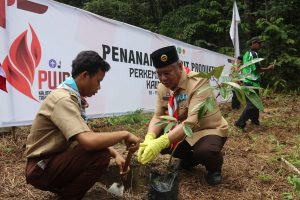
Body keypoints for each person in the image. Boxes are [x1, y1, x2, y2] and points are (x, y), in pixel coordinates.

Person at [25, 51, 140, 199]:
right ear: (85, 75)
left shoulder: (72, 97)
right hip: (40, 168)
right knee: (100, 156)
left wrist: (116, 154)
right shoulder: (63, 100)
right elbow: (88, 142)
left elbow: (88, 134)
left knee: (100, 152)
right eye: (98, 81)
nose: (99, 87)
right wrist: (124, 134)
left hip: (49, 162)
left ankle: (65, 191)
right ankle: (68, 196)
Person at [137, 46, 228, 186]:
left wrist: (162, 141)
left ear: (179, 66)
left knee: (205, 151)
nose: (163, 78)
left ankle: (214, 169)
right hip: (184, 131)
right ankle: (190, 159)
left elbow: (192, 120)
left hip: (207, 129)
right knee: (160, 135)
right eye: (159, 74)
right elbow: (158, 116)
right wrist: (150, 138)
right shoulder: (163, 87)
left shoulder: (198, 81)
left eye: (167, 73)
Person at [235, 37, 274, 129]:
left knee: (256, 102)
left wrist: (237, 70)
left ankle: (255, 121)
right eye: (259, 43)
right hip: (251, 82)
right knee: (252, 104)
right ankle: (239, 123)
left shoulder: (246, 54)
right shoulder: (254, 54)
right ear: (254, 43)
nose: (260, 45)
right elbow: (257, 69)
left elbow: (240, 60)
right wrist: (268, 69)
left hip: (248, 82)